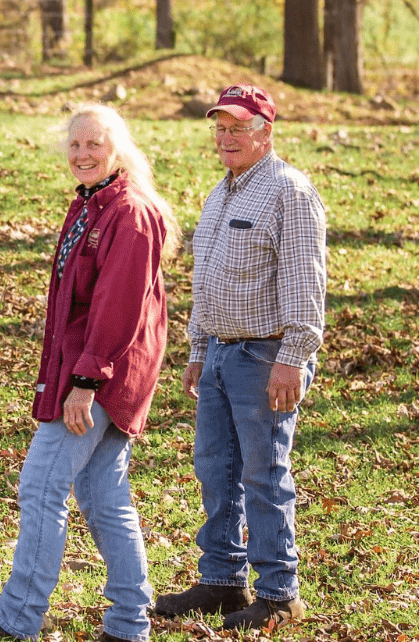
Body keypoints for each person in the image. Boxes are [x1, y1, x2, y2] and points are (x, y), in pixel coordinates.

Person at [0, 103, 181, 642]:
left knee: (41, 486)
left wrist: (85, 383)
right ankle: (128, 625)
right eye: (75, 145)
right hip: (87, 371)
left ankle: (17, 619)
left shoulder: (130, 213)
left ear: (117, 149)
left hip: (100, 378)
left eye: (94, 144)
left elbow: (116, 309)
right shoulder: (90, 205)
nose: (82, 154)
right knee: (103, 496)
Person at [154, 84, 326, 632]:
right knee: (215, 470)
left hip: (265, 354)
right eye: (220, 129)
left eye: (238, 129)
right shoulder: (221, 192)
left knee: (264, 473)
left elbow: (305, 283)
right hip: (220, 355)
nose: (227, 138)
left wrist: (293, 357)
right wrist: (198, 351)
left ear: (264, 133)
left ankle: (279, 593)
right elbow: (204, 282)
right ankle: (223, 579)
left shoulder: (287, 192)